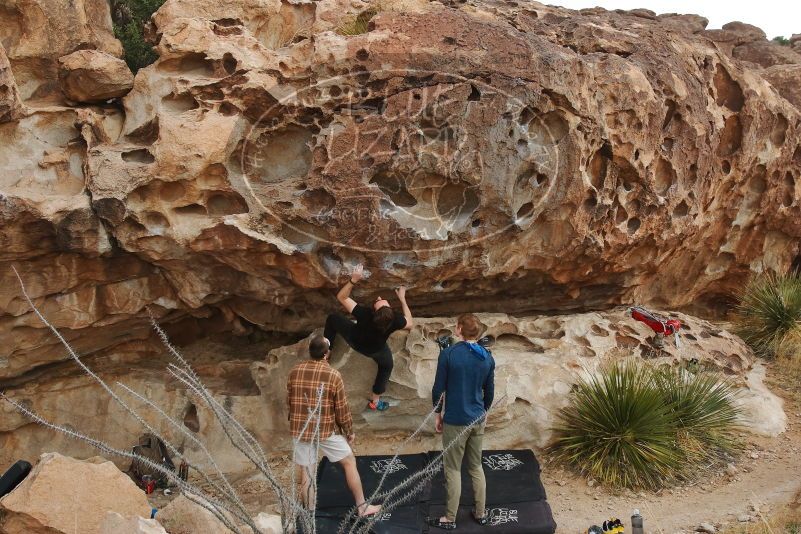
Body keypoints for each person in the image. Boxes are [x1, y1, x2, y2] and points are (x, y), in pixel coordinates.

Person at [286, 335, 381, 517]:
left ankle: (309, 515)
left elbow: (288, 399)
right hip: (324, 430)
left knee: (308, 471)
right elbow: (341, 409)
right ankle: (362, 507)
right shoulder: (333, 375)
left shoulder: (294, 371)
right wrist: (349, 431)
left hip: (300, 429)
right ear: (327, 354)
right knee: (349, 462)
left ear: (310, 351)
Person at [428, 313, 496, 530]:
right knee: (476, 466)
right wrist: (483, 411)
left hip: (456, 419)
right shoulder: (487, 356)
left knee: (453, 468)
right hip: (477, 418)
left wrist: (438, 413)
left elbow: (439, 389)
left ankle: (449, 517)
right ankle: (481, 513)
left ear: (458, 329)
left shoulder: (448, 354)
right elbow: (490, 391)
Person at [323, 263, 414, 411]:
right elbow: (410, 323)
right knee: (386, 366)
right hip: (375, 350)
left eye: (378, 301)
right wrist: (402, 299)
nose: (379, 297)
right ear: (390, 311)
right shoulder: (395, 320)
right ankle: (376, 401)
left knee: (333, 318)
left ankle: (326, 353)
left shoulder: (364, 314)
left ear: (374, 311)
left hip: (354, 338)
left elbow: (341, 297)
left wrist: (354, 280)